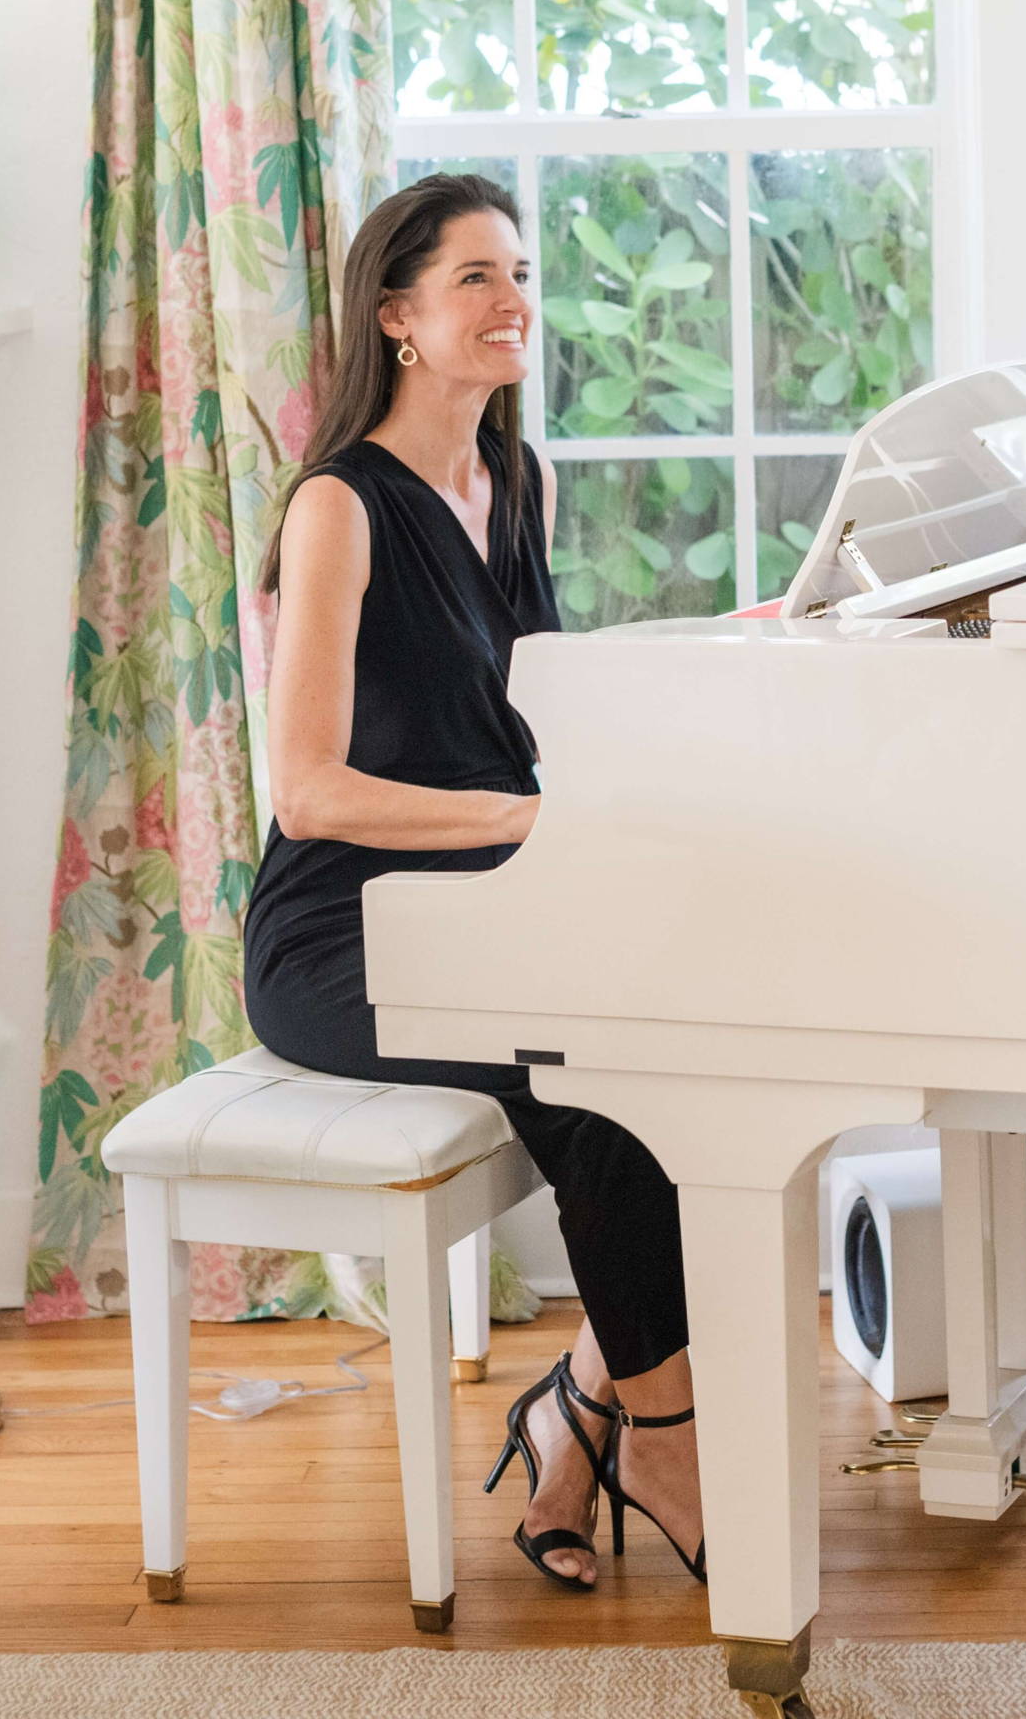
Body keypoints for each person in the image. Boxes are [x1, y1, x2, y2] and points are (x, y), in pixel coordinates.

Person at [244, 172, 703, 1594]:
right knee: (597, 1073)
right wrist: (521, 817)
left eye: (519, 275)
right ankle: (663, 1439)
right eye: (475, 280)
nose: (515, 303)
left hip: (491, 900)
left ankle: (578, 1419)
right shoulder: (340, 507)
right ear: (396, 318)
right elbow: (305, 790)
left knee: (685, 1051)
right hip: (345, 933)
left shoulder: (523, 482)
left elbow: (524, 714)